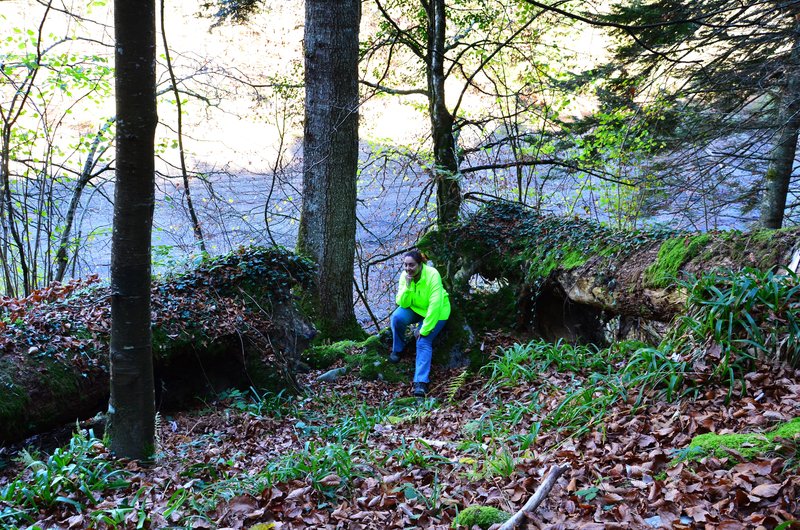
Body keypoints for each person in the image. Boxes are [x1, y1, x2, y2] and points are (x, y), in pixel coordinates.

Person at [389, 250, 450, 397]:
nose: (408, 268)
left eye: (412, 265)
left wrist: (424, 329)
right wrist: (408, 287)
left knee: (422, 342)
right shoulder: (405, 276)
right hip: (416, 308)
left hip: (438, 312)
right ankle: (398, 349)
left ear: (420, 264)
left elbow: (435, 305)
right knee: (396, 318)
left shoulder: (432, 275)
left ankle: (421, 383)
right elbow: (401, 302)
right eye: (405, 265)